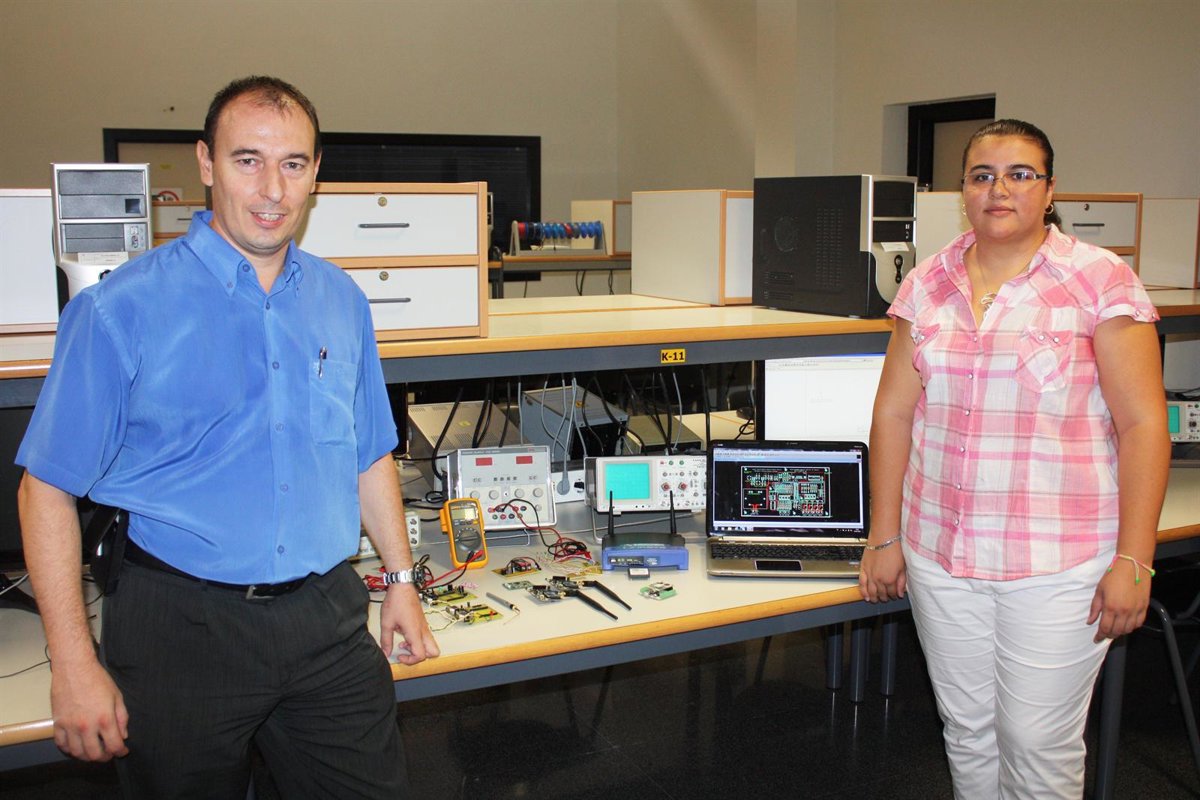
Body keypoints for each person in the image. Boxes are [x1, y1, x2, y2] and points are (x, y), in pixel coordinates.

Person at [16, 75, 440, 798]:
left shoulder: (341, 301)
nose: (272, 189)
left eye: (293, 164)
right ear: (206, 164)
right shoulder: (120, 309)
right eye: (248, 160)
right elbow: (44, 491)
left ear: (315, 173)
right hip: (181, 627)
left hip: (325, 617)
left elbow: (367, 451)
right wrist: (74, 663)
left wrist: (401, 581)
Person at [858, 119, 1170, 798]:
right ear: (963, 193)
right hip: (941, 553)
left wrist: (1135, 559)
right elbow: (894, 414)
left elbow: (1144, 424)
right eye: (982, 175)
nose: (1000, 189)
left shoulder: (1099, 280)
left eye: (1020, 174)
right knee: (967, 730)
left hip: (1057, 561)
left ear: (1050, 191)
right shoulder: (928, 284)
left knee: (1036, 744)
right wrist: (885, 536)